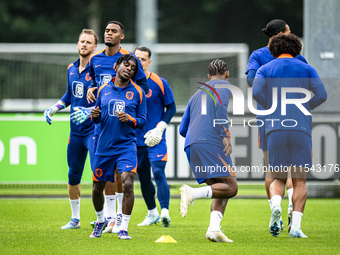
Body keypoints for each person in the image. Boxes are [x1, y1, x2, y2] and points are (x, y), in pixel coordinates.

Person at [253, 33, 327, 238]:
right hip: (300, 128)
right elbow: (322, 95)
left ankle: (276, 205)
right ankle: (295, 227)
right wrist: (303, 107)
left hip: (275, 127)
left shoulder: (264, 69)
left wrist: (272, 106)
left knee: (277, 176)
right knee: (300, 181)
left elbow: (256, 92)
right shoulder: (306, 68)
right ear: (296, 49)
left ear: (273, 50)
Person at [84, 21, 148, 234]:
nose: (129, 69)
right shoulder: (102, 89)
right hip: (103, 143)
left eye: (132, 68)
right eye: (126, 66)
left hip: (126, 145)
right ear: (116, 67)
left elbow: (142, 121)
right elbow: (97, 116)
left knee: (128, 182)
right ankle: (102, 220)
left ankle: (123, 227)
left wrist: (130, 119)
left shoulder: (138, 92)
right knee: (97, 187)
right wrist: (94, 116)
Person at [245, 19, 307, 232]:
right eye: (289, 30)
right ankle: (292, 210)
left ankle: (276, 210)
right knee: (296, 173)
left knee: (272, 169)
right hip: (297, 119)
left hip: (269, 118)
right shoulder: (297, 56)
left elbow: (252, 81)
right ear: (283, 33)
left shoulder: (258, 56)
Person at [43, 29, 99, 229]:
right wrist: (55, 107)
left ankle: (105, 218)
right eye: (81, 41)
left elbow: (107, 99)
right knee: (73, 173)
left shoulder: (99, 70)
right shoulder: (71, 68)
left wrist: (90, 110)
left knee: (98, 173)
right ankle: (75, 219)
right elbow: (69, 94)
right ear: (78, 44)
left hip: (94, 130)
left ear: (95, 47)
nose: (83, 44)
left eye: (88, 42)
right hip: (75, 131)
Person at [179, 59, 238, 242]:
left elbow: (182, 129)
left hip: (191, 144)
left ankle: (213, 229)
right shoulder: (223, 86)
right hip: (210, 142)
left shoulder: (196, 94)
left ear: (208, 76)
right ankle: (192, 193)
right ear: (227, 74)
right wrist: (225, 134)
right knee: (231, 187)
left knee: (221, 188)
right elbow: (221, 108)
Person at [133, 46, 176, 227]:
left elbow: (171, 107)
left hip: (156, 138)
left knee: (158, 172)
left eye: (143, 59)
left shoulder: (159, 82)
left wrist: (161, 127)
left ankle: (165, 212)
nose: (140, 62)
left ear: (149, 62)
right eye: (137, 58)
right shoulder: (125, 82)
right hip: (135, 140)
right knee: (143, 178)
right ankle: (152, 213)